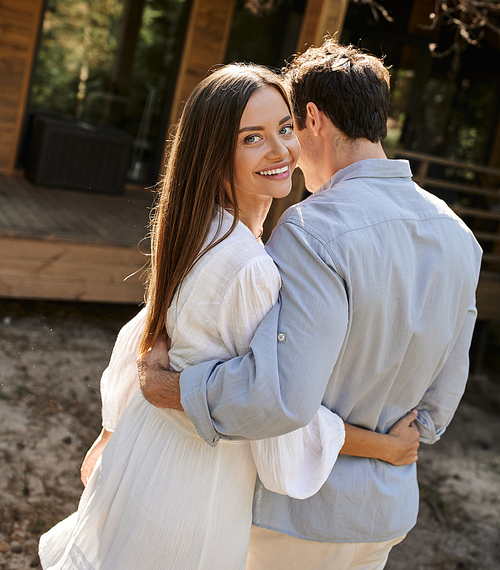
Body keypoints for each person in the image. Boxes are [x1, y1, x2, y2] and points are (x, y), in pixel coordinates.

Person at [39, 64, 419, 570]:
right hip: (192, 487)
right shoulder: (249, 268)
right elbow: (272, 412)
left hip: (145, 450)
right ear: (216, 154)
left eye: (285, 129)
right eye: (252, 139)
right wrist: (385, 449)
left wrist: (113, 430)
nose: (280, 150)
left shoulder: (198, 232)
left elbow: (144, 336)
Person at [140, 41, 483, 570]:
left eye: (288, 127)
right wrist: (391, 442)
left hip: (298, 517)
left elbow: (279, 399)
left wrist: (168, 385)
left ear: (313, 120)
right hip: (386, 517)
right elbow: (437, 408)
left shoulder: (311, 230)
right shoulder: (460, 236)